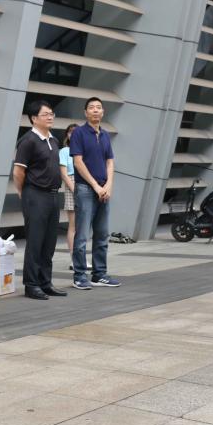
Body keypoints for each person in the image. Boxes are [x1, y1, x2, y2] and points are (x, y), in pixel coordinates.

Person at [12, 100, 66, 301]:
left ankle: (45, 282)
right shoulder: (28, 141)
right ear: (34, 118)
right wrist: (23, 193)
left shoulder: (54, 140)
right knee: (35, 241)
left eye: (52, 113)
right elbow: (18, 172)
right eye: (46, 114)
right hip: (35, 194)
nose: (50, 117)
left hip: (52, 195)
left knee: (49, 242)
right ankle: (32, 285)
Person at [70, 97, 121, 290]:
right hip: (85, 189)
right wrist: (95, 186)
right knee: (82, 235)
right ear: (85, 113)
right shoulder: (79, 133)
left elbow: (110, 162)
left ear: (103, 112)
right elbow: (78, 162)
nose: (95, 110)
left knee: (102, 234)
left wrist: (108, 185)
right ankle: (79, 276)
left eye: (99, 107)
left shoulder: (105, 135)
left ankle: (99, 274)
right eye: (91, 107)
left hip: (103, 189)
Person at [60, 123, 78, 271]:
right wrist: (74, 190)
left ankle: (81, 257)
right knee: (73, 225)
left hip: (84, 184)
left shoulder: (83, 151)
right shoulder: (65, 151)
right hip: (72, 184)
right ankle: (74, 259)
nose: (73, 134)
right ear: (67, 135)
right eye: (71, 132)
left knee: (82, 226)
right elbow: (64, 174)